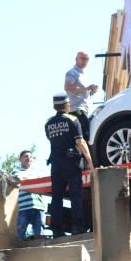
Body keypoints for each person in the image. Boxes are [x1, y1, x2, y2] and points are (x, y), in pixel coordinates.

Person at [45, 93, 93, 238]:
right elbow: (80, 142)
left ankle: (56, 230)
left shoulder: (48, 123)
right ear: (67, 105)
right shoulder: (73, 120)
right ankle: (77, 227)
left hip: (56, 164)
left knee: (57, 197)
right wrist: (90, 161)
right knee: (75, 195)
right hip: (71, 163)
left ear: (54, 106)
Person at [11, 149, 47, 241]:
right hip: (24, 207)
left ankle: (40, 252)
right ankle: (19, 252)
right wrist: (32, 181)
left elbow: (42, 184)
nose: (28, 158)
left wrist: (28, 180)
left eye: (30, 157)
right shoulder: (16, 171)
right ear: (20, 159)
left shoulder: (37, 172)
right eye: (26, 156)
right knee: (21, 232)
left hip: (39, 206)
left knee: (40, 232)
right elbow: (20, 180)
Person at [64, 51, 99, 141]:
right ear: (76, 59)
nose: (84, 61)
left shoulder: (83, 75)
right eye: (82, 58)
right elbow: (67, 87)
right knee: (85, 138)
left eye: (87, 59)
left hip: (83, 110)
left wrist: (92, 91)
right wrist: (87, 88)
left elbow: (82, 92)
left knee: (85, 137)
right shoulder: (72, 72)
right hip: (76, 110)